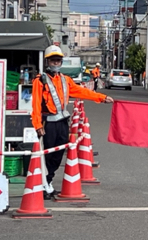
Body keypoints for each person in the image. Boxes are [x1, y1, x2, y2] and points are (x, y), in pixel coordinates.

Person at [31, 45, 114, 200]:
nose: (56, 63)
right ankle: (43, 185)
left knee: (58, 154)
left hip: (62, 123)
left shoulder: (65, 80)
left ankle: (47, 182)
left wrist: (101, 98)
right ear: (47, 61)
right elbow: (35, 104)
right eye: (53, 60)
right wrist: (37, 125)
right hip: (48, 123)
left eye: (58, 60)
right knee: (48, 155)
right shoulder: (40, 80)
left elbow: (82, 91)